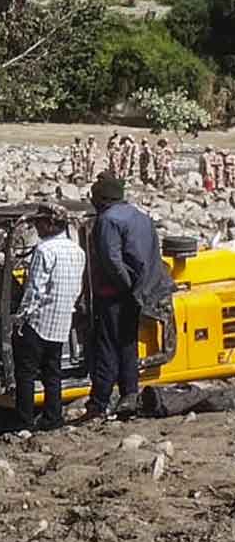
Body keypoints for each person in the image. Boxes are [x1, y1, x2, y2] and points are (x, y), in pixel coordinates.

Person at [82, 176, 174, 421]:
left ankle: (98, 403)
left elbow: (111, 259)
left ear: (101, 199)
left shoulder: (107, 221)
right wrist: (137, 288)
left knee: (107, 348)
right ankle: (129, 396)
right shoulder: (141, 217)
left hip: (114, 295)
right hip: (140, 291)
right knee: (127, 344)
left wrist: (124, 285)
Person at [12, 203, 86, 432]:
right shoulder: (78, 252)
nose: (37, 227)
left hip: (38, 321)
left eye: (40, 223)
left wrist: (20, 318)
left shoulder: (44, 251)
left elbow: (35, 290)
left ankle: (23, 422)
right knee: (52, 373)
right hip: (61, 322)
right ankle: (53, 418)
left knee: (25, 374)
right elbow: (76, 289)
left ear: (52, 224)